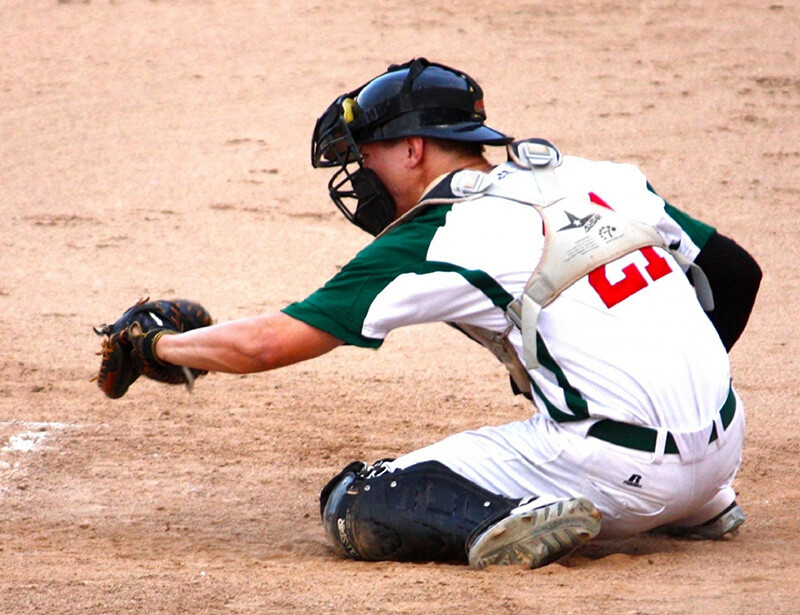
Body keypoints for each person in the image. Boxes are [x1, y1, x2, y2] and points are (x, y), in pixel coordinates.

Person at [142, 58, 761, 568]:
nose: (360, 174)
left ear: (413, 150)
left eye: (367, 155)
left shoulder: (437, 235)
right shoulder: (596, 177)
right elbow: (736, 274)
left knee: (356, 500)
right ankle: (695, 498)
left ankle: (509, 519)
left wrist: (158, 346)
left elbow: (266, 345)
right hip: (721, 459)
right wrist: (673, 394)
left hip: (616, 475)